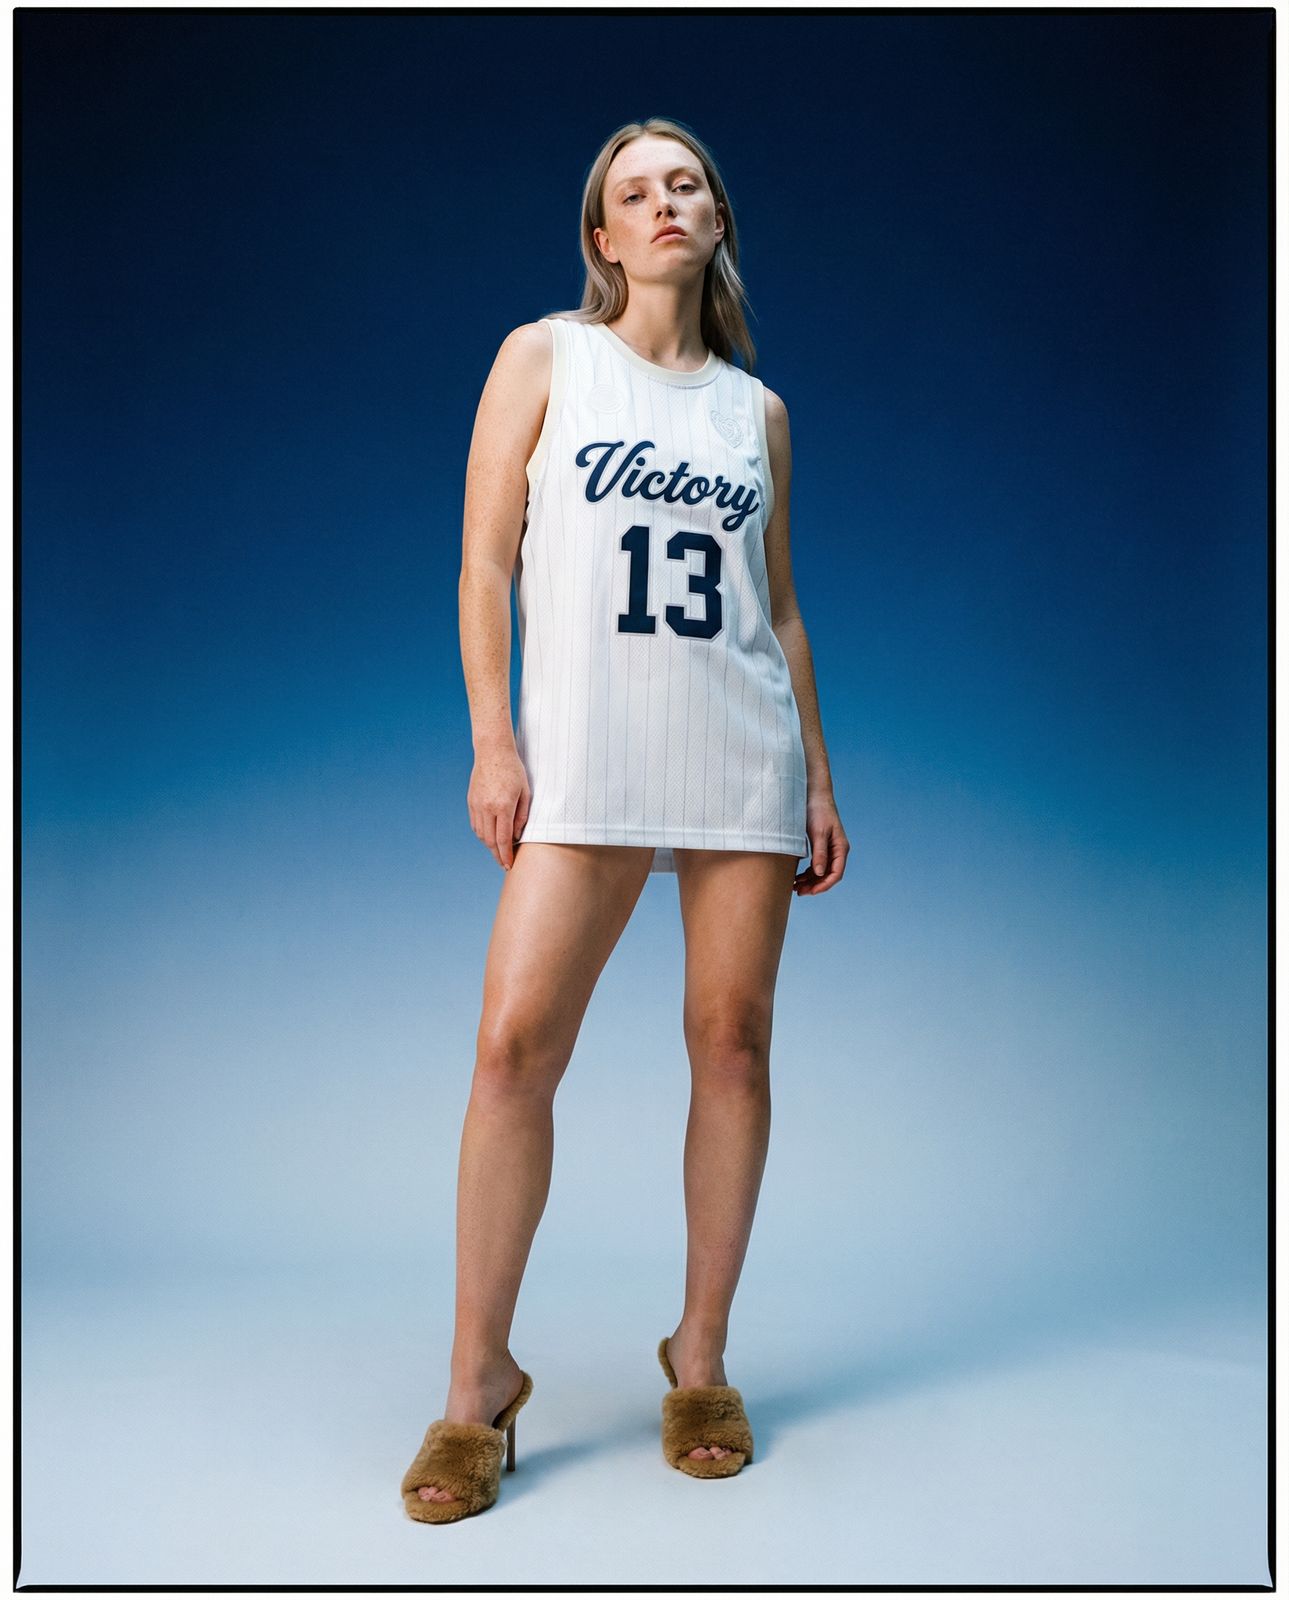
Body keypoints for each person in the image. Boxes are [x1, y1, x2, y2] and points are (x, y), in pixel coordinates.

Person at [400, 116, 849, 1524]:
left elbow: (779, 611)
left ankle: (698, 1357)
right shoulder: (546, 358)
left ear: (716, 221)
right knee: (512, 1048)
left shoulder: (755, 414)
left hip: (737, 752)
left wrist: (816, 778)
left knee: (733, 1042)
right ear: (602, 237)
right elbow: (482, 561)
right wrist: (493, 739)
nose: (664, 205)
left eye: (686, 185)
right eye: (634, 192)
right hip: (586, 755)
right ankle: (477, 1381)